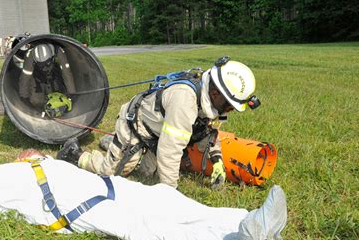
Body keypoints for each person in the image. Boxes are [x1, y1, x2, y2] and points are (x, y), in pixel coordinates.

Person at [0, 149, 287, 240]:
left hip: (108, 186)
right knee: (155, 229)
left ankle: (250, 222)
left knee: (171, 201)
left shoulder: (14, 170)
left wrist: (37, 157)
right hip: (80, 209)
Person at [58, 56, 260, 189]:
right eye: (230, 106)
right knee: (112, 173)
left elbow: (206, 133)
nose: (229, 111)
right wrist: (170, 195)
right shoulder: (185, 101)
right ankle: (75, 154)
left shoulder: (208, 99)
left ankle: (112, 145)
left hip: (156, 133)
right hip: (137, 127)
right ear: (216, 93)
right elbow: (169, 151)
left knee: (146, 172)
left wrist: (218, 162)